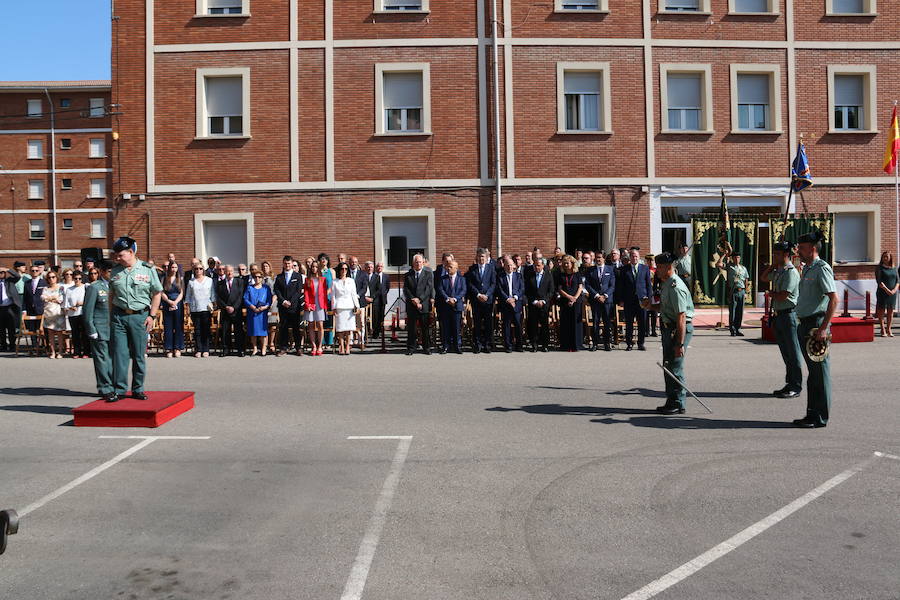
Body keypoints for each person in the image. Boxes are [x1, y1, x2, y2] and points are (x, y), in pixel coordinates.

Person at [792, 230, 838, 428]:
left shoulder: (822, 268)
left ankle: (820, 417)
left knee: (820, 372)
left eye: (801, 248)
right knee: (813, 373)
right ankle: (812, 413)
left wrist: (823, 328)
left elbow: (833, 299)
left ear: (812, 248)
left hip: (816, 326)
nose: (798, 251)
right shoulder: (808, 268)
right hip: (805, 323)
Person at [108, 236, 163, 400]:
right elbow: (112, 295)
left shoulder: (148, 269)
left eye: (120, 255)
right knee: (119, 354)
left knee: (139, 355)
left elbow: (157, 293)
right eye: (116, 255)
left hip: (140, 316)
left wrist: (152, 316)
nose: (117, 258)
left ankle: (138, 388)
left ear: (131, 252)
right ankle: (119, 389)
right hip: (119, 315)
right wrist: (111, 316)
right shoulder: (115, 271)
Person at [641, 252, 694, 414]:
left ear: (669, 267)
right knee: (668, 366)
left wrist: (679, 343)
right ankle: (672, 400)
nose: (657, 270)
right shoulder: (666, 283)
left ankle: (679, 402)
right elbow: (665, 308)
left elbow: (681, 317)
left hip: (677, 329)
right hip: (668, 327)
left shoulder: (675, 287)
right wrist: (650, 306)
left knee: (675, 366)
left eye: (660, 267)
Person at [762, 241, 803, 399]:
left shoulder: (791, 272)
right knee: (786, 352)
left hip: (789, 315)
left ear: (786, 254)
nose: (775, 256)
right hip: (779, 315)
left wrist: (771, 294)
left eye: (777, 254)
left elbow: (784, 295)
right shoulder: (780, 270)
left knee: (793, 352)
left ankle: (796, 386)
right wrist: (772, 266)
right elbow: (764, 277)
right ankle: (789, 383)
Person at [84, 260, 114, 401]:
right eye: (109, 271)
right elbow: (87, 311)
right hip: (100, 328)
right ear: (102, 272)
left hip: (115, 328)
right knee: (102, 359)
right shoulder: (94, 287)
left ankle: (114, 385)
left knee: (114, 360)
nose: (112, 274)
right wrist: (91, 329)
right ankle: (105, 388)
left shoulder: (116, 286)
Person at [616, 248, 652, 351]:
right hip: (629, 300)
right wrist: (621, 300)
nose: (634, 258)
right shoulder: (624, 269)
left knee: (642, 323)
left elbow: (648, 285)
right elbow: (621, 286)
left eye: (636, 256)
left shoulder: (645, 268)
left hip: (642, 300)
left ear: (639, 257)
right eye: (632, 256)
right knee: (629, 322)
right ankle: (629, 343)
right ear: (629, 258)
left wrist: (649, 299)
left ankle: (641, 343)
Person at [583, 251, 616, 351]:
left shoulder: (610, 269)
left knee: (607, 322)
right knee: (595, 322)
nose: (598, 259)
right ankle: (595, 344)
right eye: (597, 257)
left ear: (604, 258)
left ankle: (607, 343)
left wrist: (605, 296)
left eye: (600, 257)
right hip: (595, 300)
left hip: (607, 300)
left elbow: (612, 285)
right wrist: (597, 295)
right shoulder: (590, 270)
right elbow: (588, 285)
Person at [466, 248, 496, 353]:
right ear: (476, 257)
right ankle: (477, 344)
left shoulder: (491, 268)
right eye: (479, 256)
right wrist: (478, 294)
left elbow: (493, 284)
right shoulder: (472, 269)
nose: (481, 258)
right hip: (477, 300)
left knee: (488, 323)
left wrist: (487, 295)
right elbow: (470, 284)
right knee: (477, 323)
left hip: (488, 301)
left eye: (483, 256)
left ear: (486, 257)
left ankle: (487, 345)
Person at [403, 254, 434, 355]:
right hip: (411, 305)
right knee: (411, 328)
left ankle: (427, 348)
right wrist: (413, 299)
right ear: (413, 263)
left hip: (423, 305)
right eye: (416, 262)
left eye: (420, 262)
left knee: (425, 328)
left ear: (423, 263)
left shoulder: (428, 274)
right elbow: (406, 289)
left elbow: (428, 289)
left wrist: (419, 300)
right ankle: (411, 348)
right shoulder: (408, 275)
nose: (418, 264)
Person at [274, 255, 305, 356]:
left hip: (294, 306)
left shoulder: (298, 276)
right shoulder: (279, 277)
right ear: (283, 264)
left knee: (296, 327)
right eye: (285, 263)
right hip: (283, 306)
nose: (287, 265)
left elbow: (298, 291)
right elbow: (277, 290)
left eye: (289, 263)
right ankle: (283, 348)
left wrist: (290, 302)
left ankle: (298, 348)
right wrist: (283, 301)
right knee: (283, 327)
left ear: (292, 264)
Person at [215, 265, 246, 357]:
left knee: (238, 331)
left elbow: (241, 296)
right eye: (228, 271)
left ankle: (240, 350)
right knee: (225, 331)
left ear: (234, 272)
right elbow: (218, 298)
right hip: (225, 311)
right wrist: (226, 307)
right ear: (224, 272)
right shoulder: (220, 283)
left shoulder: (240, 282)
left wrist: (234, 307)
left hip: (236, 311)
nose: (229, 273)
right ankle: (226, 349)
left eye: (231, 271)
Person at [717, 251, 750, 336]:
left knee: (740, 311)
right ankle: (733, 329)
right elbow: (718, 264)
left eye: (738, 257)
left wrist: (745, 291)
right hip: (733, 291)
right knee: (733, 311)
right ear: (732, 258)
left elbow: (746, 280)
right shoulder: (729, 266)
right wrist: (724, 254)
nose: (737, 259)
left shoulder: (743, 268)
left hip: (741, 291)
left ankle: (738, 328)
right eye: (735, 257)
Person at [525, 256, 554, 352]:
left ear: (542, 266)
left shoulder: (548, 275)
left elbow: (551, 291)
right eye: (535, 266)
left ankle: (545, 345)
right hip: (533, 304)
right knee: (533, 325)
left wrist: (544, 301)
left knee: (544, 325)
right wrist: (534, 301)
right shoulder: (530, 275)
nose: (536, 267)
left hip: (544, 305)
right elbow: (527, 291)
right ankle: (534, 344)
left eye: (538, 266)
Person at [436, 260, 465, 354]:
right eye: (448, 266)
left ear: (456, 268)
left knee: (456, 328)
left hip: (457, 306)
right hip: (446, 306)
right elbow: (440, 289)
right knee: (446, 328)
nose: (448, 268)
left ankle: (457, 346)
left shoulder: (461, 279)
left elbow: (463, 290)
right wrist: (448, 299)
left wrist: (455, 299)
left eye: (451, 267)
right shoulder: (443, 278)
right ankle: (446, 346)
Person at [332, 262, 361, 355]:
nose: (344, 271)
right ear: (339, 270)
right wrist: (333, 307)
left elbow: (354, 294)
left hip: (349, 307)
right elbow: (333, 296)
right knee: (340, 328)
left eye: (345, 269)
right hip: (339, 306)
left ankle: (348, 346)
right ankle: (341, 346)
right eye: (342, 269)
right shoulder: (335, 282)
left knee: (349, 328)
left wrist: (357, 306)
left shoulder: (351, 281)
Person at [185, 264, 213, 358]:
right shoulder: (191, 282)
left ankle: (206, 349)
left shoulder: (209, 280)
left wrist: (214, 304)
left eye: (200, 268)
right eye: (196, 268)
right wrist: (187, 307)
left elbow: (212, 294)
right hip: (195, 308)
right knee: (197, 330)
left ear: (203, 270)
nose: (198, 270)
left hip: (206, 308)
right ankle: (199, 349)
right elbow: (188, 296)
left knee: (206, 329)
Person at [497, 256, 525, 352]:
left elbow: (521, 289)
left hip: (516, 303)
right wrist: (508, 299)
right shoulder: (500, 276)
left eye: (511, 265)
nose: (509, 267)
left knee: (518, 324)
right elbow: (500, 289)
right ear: (504, 266)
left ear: (514, 266)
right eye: (507, 265)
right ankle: (508, 346)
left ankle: (519, 345)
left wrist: (515, 298)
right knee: (506, 325)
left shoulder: (518, 276)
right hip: (506, 304)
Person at [557, 255, 584, 351]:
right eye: (564, 263)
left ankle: (577, 345)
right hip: (565, 301)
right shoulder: (561, 275)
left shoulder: (577, 274)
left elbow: (580, 287)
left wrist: (574, 298)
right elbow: (560, 289)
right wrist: (569, 297)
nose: (565, 265)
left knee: (576, 323)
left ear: (572, 263)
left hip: (576, 302)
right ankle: (566, 345)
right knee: (566, 323)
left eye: (567, 263)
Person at [244, 270, 273, 356]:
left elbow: (269, 299)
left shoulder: (266, 288)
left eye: (259, 277)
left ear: (262, 278)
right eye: (255, 277)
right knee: (253, 330)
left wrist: (265, 307)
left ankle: (264, 348)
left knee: (263, 332)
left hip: (262, 313)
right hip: (252, 312)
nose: (257, 278)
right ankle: (255, 348)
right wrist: (252, 307)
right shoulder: (250, 287)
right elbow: (245, 299)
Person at [161, 261, 185, 358]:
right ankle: (169, 348)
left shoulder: (180, 279)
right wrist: (169, 301)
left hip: (178, 304)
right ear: (169, 268)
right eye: (172, 267)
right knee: (168, 327)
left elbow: (182, 293)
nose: (173, 269)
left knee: (178, 326)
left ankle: (177, 348)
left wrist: (175, 302)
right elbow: (161, 292)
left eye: (175, 267)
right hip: (167, 304)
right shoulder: (164, 279)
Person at [304, 261, 329, 355]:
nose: (314, 268)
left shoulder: (323, 279)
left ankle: (320, 346)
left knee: (320, 325)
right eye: (312, 267)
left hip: (320, 305)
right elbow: (306, 293)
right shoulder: (307, 280)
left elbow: (325, 294)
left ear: (318, 268)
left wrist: (325, 306)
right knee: (310, 325)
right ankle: (313, 346)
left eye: (316, 267)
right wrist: (307, 304)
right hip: (310, 304)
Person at [41, 271, 67, 359]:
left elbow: (61, 299)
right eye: (49, 277)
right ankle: (52, 352)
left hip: (58, 312)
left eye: (53, 277)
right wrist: (52, 298)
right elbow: (43, 297)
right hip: (48, 313)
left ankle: (60, 352)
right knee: (50, 333)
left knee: (59, 333)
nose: (51, 279)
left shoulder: (61, 287)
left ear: (56, 277)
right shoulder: (45, 288)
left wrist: (50, 298)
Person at [64, 271, 88, 358]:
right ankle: (76, 352)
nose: (77, 280)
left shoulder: (86, 287)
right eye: (75, 278)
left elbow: (89, 300)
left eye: (79, 278)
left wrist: (82, 303)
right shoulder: (69, 289)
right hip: (72, 314)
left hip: (83, 313)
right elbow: (65, 304)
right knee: (75, 334)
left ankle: (86, 351)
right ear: (73, 279)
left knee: (84, 333)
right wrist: (70, 307)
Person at [874, 251, 898, 337]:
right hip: (882, 292)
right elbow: (879, 281)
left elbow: (897, 281)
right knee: (881, 310)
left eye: (887, 257)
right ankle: (882, 329)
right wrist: (887, 290)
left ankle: (889, 329)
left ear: (890, 258)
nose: (885, 258)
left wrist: (894, 290)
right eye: (884, 257)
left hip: (892, 293)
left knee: (890, 311)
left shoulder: (894, 268)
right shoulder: (879, 268)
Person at [0, 267, 22, 352]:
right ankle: (3, 345)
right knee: (1, 328)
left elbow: (18, 276)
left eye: (2, 272)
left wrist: (7, 269)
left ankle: (12, 345)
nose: (1, 274)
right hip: (0, 308)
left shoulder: (10, 281)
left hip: (10, 307)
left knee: (11, 328)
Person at [261, 260, 280, 353]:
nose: (265, 268)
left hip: (273, 303)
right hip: (262, 304)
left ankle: (271, 343)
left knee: (272, 325)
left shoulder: (274, 278)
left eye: (267, 266)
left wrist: (272, 302)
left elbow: (276, 291)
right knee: (264, 325)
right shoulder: (260, 278)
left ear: (270, 267)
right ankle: (265, 343)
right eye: (264, 266)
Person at [318, 253, 335, 347]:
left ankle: (329, 341)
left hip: (328, 298)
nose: (323, 260)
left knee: (329, 319)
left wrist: (327, 293)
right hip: (319, 298)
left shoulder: (331, 271)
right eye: (321, 259)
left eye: (325, 259)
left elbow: (333, 284)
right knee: (321, 320)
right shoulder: (318, 271)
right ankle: (322, 342)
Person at [372, 261, 390, 339]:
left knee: (381, 316)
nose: (379, 268)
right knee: (375, 316)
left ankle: (380, 331)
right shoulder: (373, 276)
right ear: (376, 268)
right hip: (375, 299)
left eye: (381, 266)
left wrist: (384, 294)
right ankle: (375, 333)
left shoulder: (386, 276)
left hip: (383, 299)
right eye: (378, 266)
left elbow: (387, 287)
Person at [645, 255, 658, 337]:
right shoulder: (644, 270)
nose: (651, 262)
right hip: (646, 293)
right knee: (646, 313)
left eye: (652, 261)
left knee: (654, 313)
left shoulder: (657, 270)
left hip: (655, 294)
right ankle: (647, 330)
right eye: (649, 261)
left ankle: (653, 330)